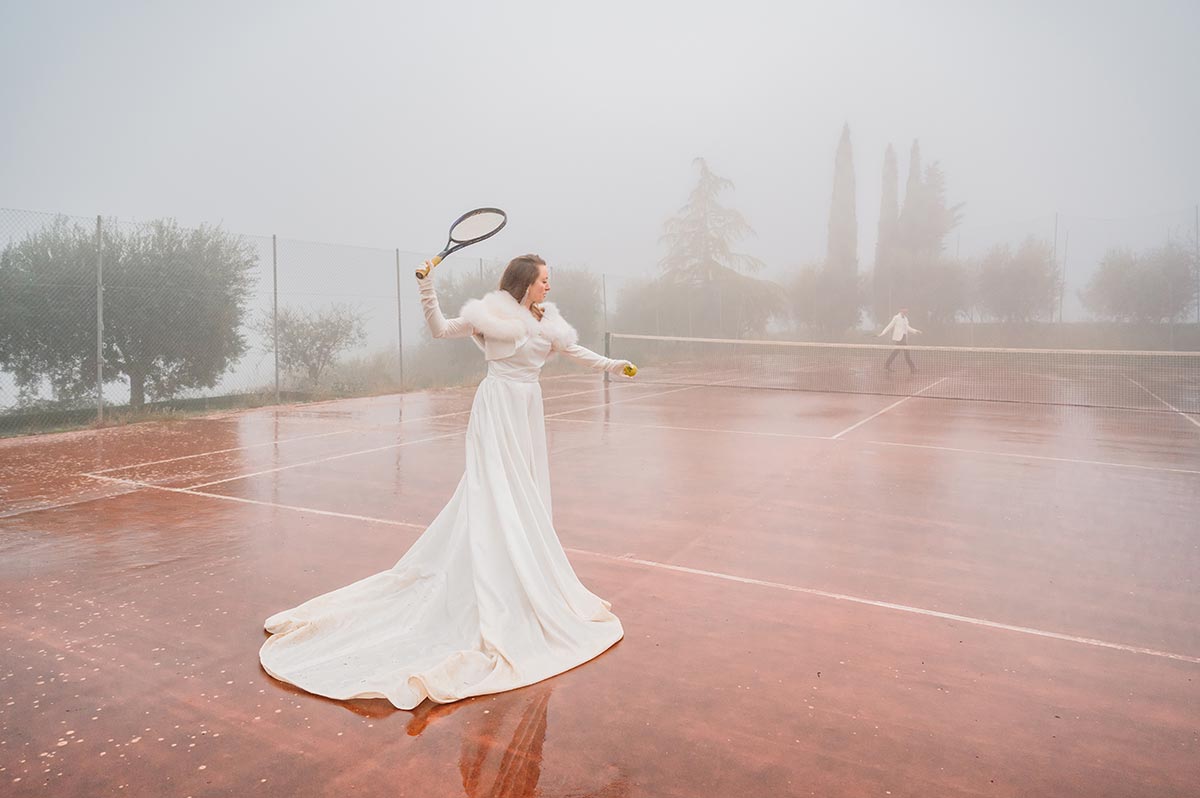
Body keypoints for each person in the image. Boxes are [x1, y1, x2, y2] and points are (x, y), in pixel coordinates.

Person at [259, 254, 635, 709]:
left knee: (525, 493)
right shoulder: (489, 318)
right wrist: (426, 287)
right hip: (496, 409)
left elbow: (575, 352)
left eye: (548, 282)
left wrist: (614, 366)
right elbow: (439, 328)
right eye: (542, 282)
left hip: (527, 411)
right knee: (496, 491)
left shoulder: (547, 320)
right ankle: (494, 574)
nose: (548, 289)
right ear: (524, 284)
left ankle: (523, 570)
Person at [878, 307, 921, 373]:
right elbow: (890, 326)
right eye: (904, 309)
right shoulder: (896, 318)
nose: (906, 311)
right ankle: (912, 368)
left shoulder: (906, 319)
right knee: (906, 353)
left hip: (904, 338)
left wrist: (915, 331)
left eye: (906, 310)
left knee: (896, 353)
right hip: (899, 339)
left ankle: (886, 366)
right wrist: (883, 333)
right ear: (901, 310)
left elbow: (907, 328)